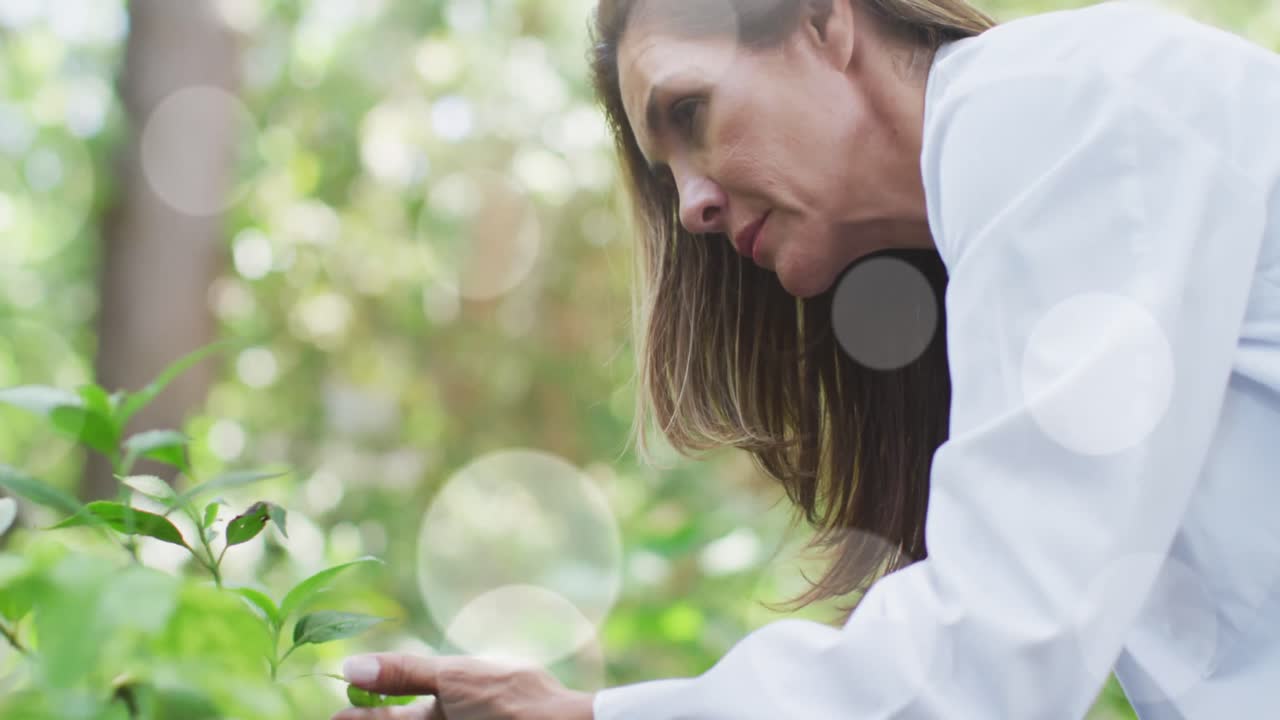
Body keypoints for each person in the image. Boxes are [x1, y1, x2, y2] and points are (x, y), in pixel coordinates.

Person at [332, 0, 1280, 717]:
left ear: (826, 20)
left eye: (690, 112)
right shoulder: (1003, 217)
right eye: (668, 178)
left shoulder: (1058, 105)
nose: (692, 206)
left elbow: (998, 655)